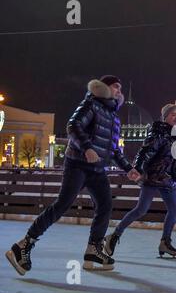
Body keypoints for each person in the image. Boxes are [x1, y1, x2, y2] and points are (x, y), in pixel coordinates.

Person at [5, 75, 140, 275]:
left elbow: (113, 151)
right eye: (115, 87)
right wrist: (86, 148)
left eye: (120, 88)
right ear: (103, 88)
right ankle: (23, 245)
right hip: (77, 163)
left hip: (96, 169)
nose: (119, 91)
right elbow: (73, 126)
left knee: (105, 205)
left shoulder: (114, 118)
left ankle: (93, 249)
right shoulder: (91, 104)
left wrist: (129, 168)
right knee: (62, 204)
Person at [104, 103, 176, 258]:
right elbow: (144, 152)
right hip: (153, 177)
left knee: (173, 209)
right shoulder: (158, 133)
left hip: (166, 179)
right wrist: (138, 169)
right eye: (173, 114)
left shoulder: (174, 134)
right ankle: (114, 236)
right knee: (141, 210)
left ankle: (165, 242)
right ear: (165, 116)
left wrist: (174, 174)